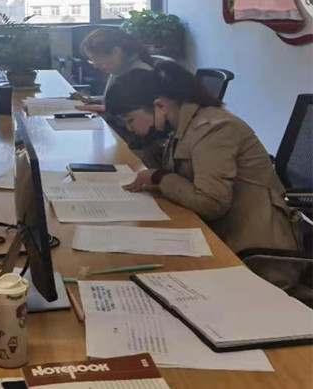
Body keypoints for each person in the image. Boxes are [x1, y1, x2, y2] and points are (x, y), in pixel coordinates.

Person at [106, 61, 304, 292]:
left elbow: (210, 204)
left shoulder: (212, 129)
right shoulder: (183, 123)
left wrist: (159, 177)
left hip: (254, 255)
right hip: (219, 233)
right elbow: (172, 170)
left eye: (130, 120)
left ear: (159, 105)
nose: (130, 128)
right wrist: (145, 143)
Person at [71, 27, 154, 113]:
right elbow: (121, 101)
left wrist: (100, 108)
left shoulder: (139, 75)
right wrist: (91, 100)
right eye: (92, 61)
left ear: (116, 52)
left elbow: (133, 111)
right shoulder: (118, 70)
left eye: (97, 60)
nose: (95, 66)